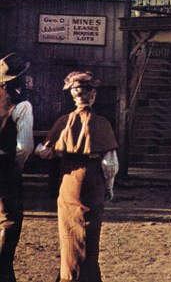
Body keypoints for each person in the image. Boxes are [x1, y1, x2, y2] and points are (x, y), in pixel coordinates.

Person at [37, 71, 119, 282]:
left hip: (68, 179)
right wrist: (109, 186)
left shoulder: (63, 122)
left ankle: (69, 274)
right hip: (93, 178)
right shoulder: (102, 124)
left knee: (69, 232)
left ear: (73, 95)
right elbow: (110, 164)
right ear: (93, 95)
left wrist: (43, 147)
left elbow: (45, 152)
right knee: (90, 233)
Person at [0, 53, 34, 282]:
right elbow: (24, 147)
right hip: (4, 165)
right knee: (10, 219)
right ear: (20, 78)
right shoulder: (21, 105)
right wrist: (16, 168)